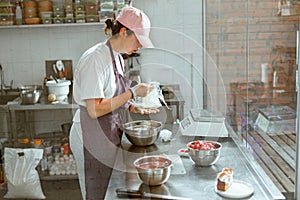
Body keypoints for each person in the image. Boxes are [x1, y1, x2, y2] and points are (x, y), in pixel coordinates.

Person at [69, 6, 157, 200]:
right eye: (139, 40)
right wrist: (132, 92)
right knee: (94, 193)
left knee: (106, 190)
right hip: (88, 135)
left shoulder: (118, 58)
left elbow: (111, 95)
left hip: (106, 134)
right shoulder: (95, 59)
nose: (140, 46)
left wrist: (132, 105)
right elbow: (94, 109)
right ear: (124, 32)